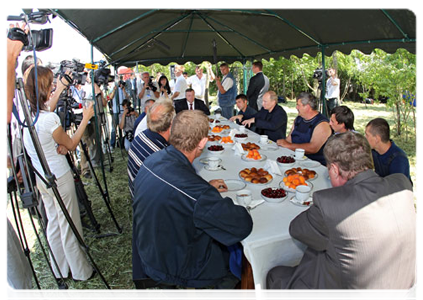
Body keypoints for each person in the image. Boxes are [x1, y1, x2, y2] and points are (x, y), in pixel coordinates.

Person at [267, 131, 419, 300]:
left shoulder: (329, 204)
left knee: (276, 276)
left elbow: (297, 229)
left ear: (334, 169)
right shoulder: (402, 184)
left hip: (347, 294)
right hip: (402, 291)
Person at [132, 110, 253, 300]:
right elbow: (242, 225)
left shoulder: (152, 160)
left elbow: (180, 191)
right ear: (203, 142)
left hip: (148, 245)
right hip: (171, 263)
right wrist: (214, 195)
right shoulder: (198, 193)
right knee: (237, 260)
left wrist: (205, 188)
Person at [23, 66, 95, 281]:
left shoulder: (28, 116)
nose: (55, 85)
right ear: (44, 88)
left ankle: (60, 269)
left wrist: (62, 86)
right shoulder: (49, 120)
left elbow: (48, 112)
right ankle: (81, 271)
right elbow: (72, 144)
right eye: (52, 83)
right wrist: (85, 117)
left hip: (42, 178)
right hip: (59, 177)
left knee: (54, 222)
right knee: (69, 223)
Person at [128, 100, 174, 196]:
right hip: (146, 203)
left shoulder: (141, 136)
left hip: (136, 193)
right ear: (172, 123)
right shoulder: (161, 155)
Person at [277, 92, 332, 165]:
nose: (296, 107)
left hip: (315, 164)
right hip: (296, 159)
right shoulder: (298, 119)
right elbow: (289, 139)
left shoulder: (322, 124)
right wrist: (282, 144)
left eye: (298, 105)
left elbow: (313, 148)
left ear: (307, 107)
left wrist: (288, 146)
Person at [365, 118, 412, 182]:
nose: (365, 137)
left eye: (367, 135)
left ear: (377, 139)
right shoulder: (374, 152)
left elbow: (397, 187)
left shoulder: (398, 159)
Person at [108, 80, 130, 151]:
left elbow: (127, 97)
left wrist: (123, 89)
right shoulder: (114, 89)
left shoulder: (123, 90)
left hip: (123, 110)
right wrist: (114, 90)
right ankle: (112, 144)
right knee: (114, 128)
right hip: (115, 111)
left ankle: (123, 142)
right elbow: (110, 97)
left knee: (124, 127)